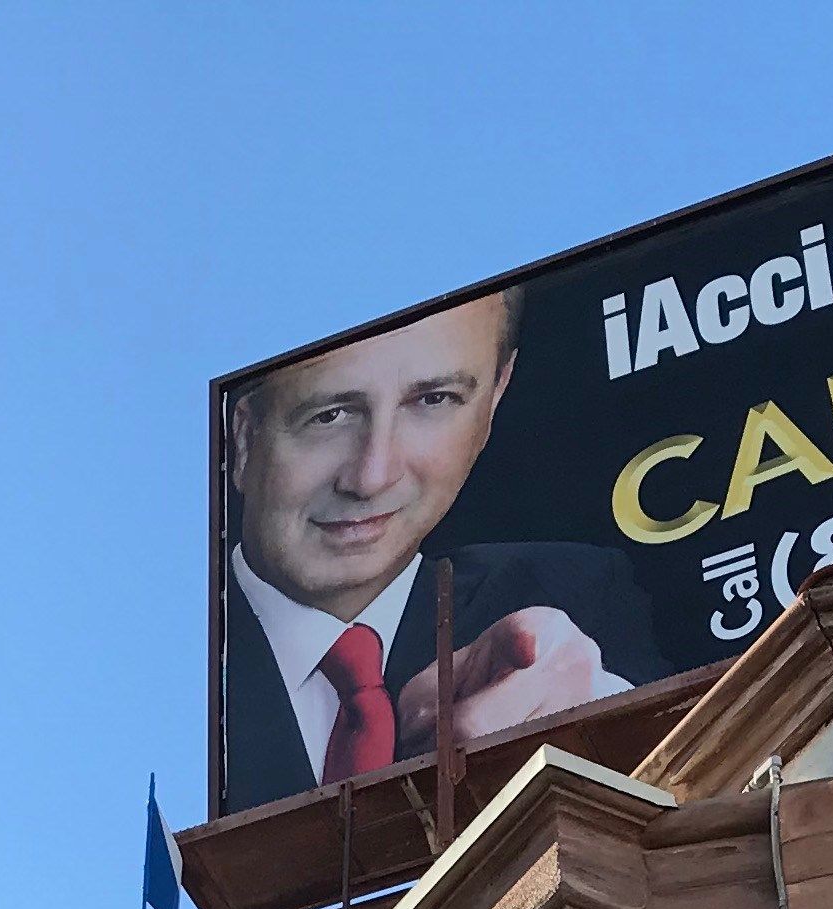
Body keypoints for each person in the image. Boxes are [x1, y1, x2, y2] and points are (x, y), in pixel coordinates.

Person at [219, 288, 661, 812]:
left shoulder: (579, 591)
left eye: (434, 400)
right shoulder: (160, 686)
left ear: (496, 395)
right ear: (244, 438)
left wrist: (614, 728)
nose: (372, 477)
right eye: (329, 416)